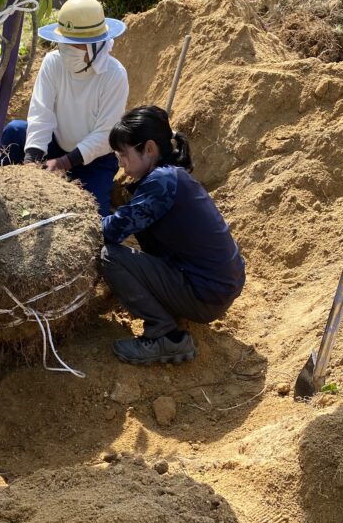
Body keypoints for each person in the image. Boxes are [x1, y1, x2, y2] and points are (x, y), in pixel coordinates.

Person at [100, 106, 245, 366]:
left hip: (207, 295)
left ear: (149, 149)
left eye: (124, 154)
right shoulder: (171, 175)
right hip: (221, 285)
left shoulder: (160, 183)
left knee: (110, 257)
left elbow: (112, 231)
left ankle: (165, 335)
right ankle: (170, 307)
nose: (121, 163)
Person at [0, 0, 128, 215]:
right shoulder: (53, 62)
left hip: (94, 161)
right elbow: (41, 113)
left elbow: (105, 134)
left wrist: (63, 163)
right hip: (55, 146)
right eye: (64, 42)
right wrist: (32, 162)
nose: (67, 50)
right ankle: (1, 192)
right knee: (15, 131)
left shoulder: (114, 76)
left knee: (93, 217)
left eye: (74, 45)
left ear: (95, 46)